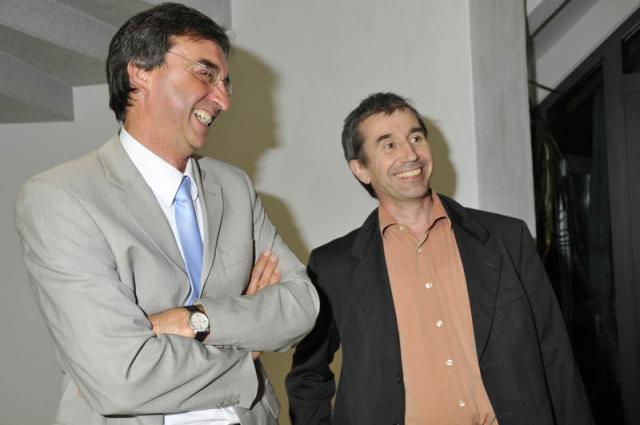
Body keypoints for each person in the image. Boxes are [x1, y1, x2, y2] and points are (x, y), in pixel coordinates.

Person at [15, 3, 318, 425]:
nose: (223, 100)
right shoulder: (61, 196)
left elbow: (301, 305)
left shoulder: (235, 187)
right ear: (141, 71)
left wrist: (196, 320)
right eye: (205, 74)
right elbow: (120, 378)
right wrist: (245, 348)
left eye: (226, 83)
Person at [285, 92, 594, 425]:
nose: (410, 154)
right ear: (361, 169)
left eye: (416, 137)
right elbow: (308, 375)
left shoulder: (507, 238)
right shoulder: (333, 266)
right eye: (389, 145)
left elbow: (555, 352)